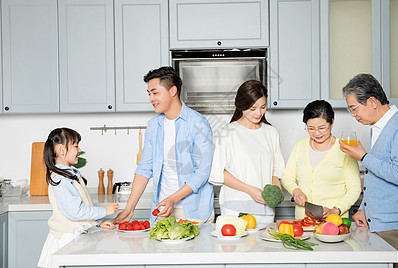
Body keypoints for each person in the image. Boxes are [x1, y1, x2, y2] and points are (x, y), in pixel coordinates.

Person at [340, 73, 398, 268]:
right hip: (381, 227)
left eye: (354, 108)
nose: (353, 115)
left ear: (372, 101)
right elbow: (380, 177)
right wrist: (364, 209)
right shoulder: (380, 127)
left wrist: (363, 157)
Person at [113, 66, 214, 224]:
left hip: (193, 210)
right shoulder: (154, 125)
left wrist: (172, 199)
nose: (151, 99)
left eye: (155, 93)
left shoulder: (198, 123)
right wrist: (129, 208)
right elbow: (144, 168)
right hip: (162, 209)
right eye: (149, 94)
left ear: (173, 91)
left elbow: (202, 173)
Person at [38, 128, 118, 268]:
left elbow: (84, 204)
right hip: (66, 242)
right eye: (75, 146)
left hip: (75, 240)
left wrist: (97, 222)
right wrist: (104, 211)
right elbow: (75, 211)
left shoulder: (70, 174)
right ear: (62, 150)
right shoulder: (61, 179)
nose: (79, 150)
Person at [209, 80, 285, 225]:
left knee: (264, 246)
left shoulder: (271, 132)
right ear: (241, 106)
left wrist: (276, 190)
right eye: (252, 108)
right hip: (235, 208)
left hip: (265, 208)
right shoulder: (227, 132)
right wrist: (250, 190)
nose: (258, 113)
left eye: (263, 107)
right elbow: (219, 172)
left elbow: (276, 170)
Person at [282, 100, 361, 219]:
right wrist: (295, 190)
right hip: (303, 221)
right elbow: (287, 177)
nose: (317, 133)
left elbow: (354, 188)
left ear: (332, 122)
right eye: (311, 128)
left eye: (322, 128)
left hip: (334, 222)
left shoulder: (344, 149)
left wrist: (336, 210)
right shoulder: (300, 145)